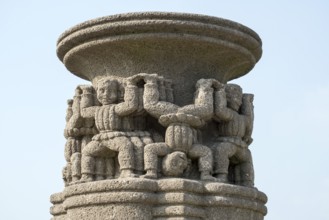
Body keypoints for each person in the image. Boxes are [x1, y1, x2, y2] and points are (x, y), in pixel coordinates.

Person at [142, 74, 217, 181]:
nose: (180, 162)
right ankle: (204, 85)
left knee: (151, 105)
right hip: (188, 118)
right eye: (182, 166)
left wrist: (151, 171)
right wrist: (206, 173)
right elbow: (205, 153)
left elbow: (150, 150)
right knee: (206, 109)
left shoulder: (166, 148)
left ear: (166, 159)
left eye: (174, 163)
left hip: (171, 116)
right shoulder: (191, 151)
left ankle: (151, 82)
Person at [212, 83, 255, 187]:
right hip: (228, 143)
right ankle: (222, 175)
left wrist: (247, 102)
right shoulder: (230, 114)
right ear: (226, 98)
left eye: (239, 99)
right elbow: (220, 111)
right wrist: (220, 91)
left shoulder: (242, 118)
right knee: (221, 150)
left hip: (239, 146)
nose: (237, 101)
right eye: (233, 97)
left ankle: (247, 181)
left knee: (247, 159)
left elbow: (249, 122)